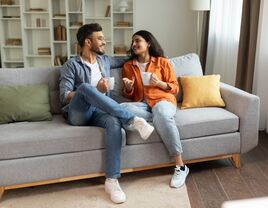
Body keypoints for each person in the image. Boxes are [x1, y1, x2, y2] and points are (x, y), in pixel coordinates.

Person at [59, 24, 154, 204]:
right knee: (86, 88)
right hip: (79, 114)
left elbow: (129, 57)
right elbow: (65, 97)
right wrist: (95, 89)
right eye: (100, 38)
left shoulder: (105, 61)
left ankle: (111, 180)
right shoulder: (71, 65)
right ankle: (132, 119)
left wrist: (146, 49)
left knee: (113, 122)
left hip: (101, 112)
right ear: (88, 42)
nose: (104, 42)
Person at [121, 30, 189, 188]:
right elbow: (129, 96)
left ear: (148, 43)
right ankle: (158, 120)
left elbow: (175, 88)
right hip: (142, 105)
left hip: (163, 100)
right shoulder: (128, 66)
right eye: (132, 42)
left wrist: (159, 83)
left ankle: (181, 166)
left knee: (161, 113)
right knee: (121, 108)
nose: (134, 45)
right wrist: (128, 88)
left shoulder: (162, 62)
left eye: (137, 41)